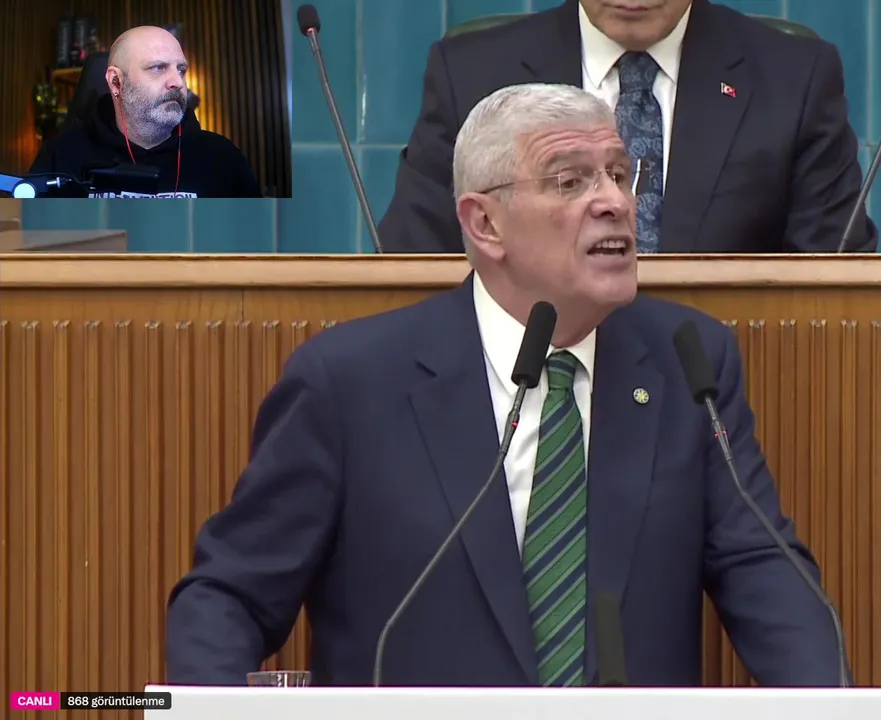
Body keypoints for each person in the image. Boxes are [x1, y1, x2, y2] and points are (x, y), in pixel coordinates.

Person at [165, 83, 845, 687]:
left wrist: (833, 705)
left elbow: (764, 570)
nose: (615, 202)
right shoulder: (349, 383)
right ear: (484, 223)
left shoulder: (687, 363)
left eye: (619, 173)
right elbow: (229, 596)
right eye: (570, 181)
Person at [377, 0, 876, 254]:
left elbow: (835, 279)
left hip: (727, 384)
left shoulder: (795, 77)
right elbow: (413, 264)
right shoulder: (471, 75)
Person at [28, 26, 260, 198]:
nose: (177, 82)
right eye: (158, 68)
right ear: (116, 81)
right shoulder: (61, 156)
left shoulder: (223, 158)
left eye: (181, 70)